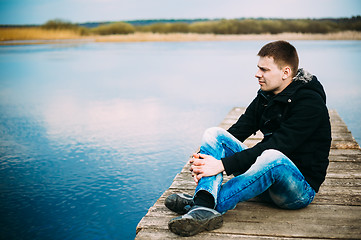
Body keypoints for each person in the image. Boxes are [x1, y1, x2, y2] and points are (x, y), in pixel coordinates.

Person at [164, 40, 332, 237]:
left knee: (272, 156)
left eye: (264, 69)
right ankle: (203, 204)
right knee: (214, 134)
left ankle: (203, 204)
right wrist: (203, 160)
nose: (257, 74)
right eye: (258, 68)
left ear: (285, 72)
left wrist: (222, 165)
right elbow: (238, 131)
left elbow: (278, 146)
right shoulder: (266, 95)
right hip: (264, 179)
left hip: (298, 189)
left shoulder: (310, 102)